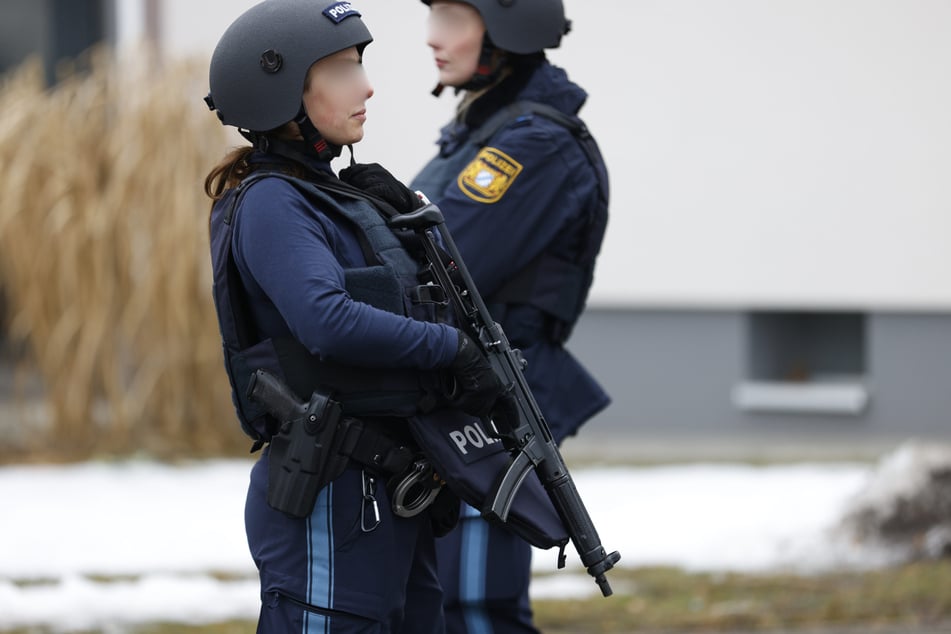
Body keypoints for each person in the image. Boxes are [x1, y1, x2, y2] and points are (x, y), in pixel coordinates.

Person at [203, 1, 507, 631]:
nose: (366, 87)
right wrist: (451, 350)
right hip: (333, 495)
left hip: (390, 492)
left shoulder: (338, 195)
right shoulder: (273, 202)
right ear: (281, 91)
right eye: (342, 69)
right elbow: (327, 321)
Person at [410, 1, 612, 632]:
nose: (433, 38)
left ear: (506, 30)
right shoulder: (485, 127)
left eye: (451, 19)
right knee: (441, 605)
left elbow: (438, 266)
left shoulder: (534, 143)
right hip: (462, 399)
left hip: (497, 410)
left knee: (475, 608)